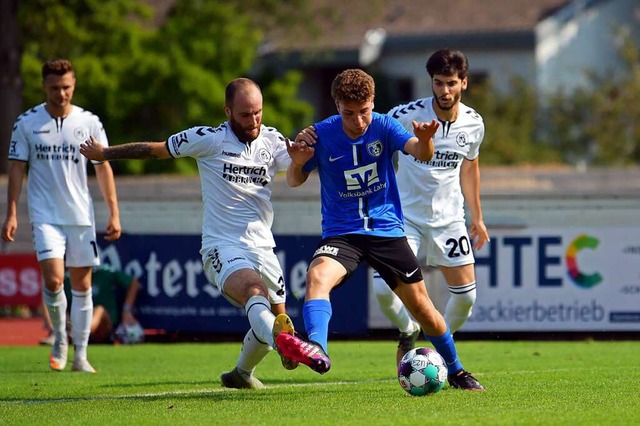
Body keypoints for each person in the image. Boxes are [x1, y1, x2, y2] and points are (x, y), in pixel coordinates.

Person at [80, 78, 306, 389]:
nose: (253, 121)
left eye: (258, 113)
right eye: (244, 115)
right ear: (227, 111)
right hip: (222, 246)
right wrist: (106, 153)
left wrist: (300, 162)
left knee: (271, 326)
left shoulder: (272, 139)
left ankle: (242, 373)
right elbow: (153, 150)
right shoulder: (208, 139)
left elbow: (294, 178)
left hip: (264, 248)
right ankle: (282, 340)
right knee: (256, 294)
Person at [280, 68, 485, 390]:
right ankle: (317, 348)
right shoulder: (320, 134)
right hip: (342, 232)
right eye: (349, 113)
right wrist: (295, 162)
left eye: (364, 112)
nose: (358, 121)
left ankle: (457, 370)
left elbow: (420, 152)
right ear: (336, 105)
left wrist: (427, 141)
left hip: (386, 230)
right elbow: (294, 180)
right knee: (317, 276)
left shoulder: (385, 126)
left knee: (422, 307)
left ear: (373, 103)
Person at [2, 58, 122, 373]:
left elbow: (103, 167)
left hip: (80, 215)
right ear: (44, 87)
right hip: (45, 215)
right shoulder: (26, 123)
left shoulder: (89, 122)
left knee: (83, 286)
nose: (61, 93)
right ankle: (59, 337)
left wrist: (114, 212)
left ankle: (81, 355)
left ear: (74, 85)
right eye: (55, 88)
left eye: (66, 87)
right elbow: (16, 168)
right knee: (54, 280)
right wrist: (11, 213)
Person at [374, 48, 490, 364]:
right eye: (438, 83)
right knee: (383, 292)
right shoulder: (405, 115)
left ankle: (437, 350)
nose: (444, 90)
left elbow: (469, 167)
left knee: (466, 298)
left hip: (449, 219)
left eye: (451, 83)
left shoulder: (474, 124)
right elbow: (376, 145)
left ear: (464, 83)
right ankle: (408, 329)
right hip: (404, 218)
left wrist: (477, 217)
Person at [40, 265, 143, 344]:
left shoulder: (106, 272)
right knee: (53, 300)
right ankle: (56, 333)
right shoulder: (68, 278)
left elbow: (134, 284)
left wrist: (126, 310)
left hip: (104, 327)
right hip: (73, 322)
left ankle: (79, 334)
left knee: (99, 310)